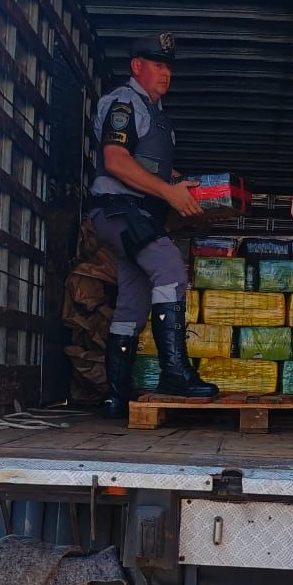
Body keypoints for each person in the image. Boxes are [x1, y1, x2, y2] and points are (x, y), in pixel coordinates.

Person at [89, 32, 217, 418]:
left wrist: (181, 184)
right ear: (136, 67)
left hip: (140, 213)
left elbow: (152, 165)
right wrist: (168, 191)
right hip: (118, 209)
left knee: (134, 298)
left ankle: (116, 394)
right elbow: (115, 160)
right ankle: (174, 374)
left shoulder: (156, 114)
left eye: (169, 66)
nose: (166, 73)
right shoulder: (124, 103)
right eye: (157, 64)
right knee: (170, 269)